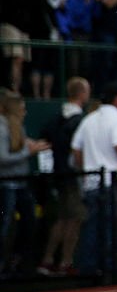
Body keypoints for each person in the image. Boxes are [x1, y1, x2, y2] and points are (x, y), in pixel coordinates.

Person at [71, 81, 117, 282]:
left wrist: (86, 169)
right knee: (116, 228)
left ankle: (90, 269)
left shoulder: (89, 119)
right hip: (113, 181)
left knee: (92, 228)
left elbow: (76, 149)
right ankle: (114, 270)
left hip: (92, 181)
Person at [38, 77, 90, 276]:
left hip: (58, 176)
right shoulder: (78, 121)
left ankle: (48, 260)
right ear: (82, 93)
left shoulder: (56, 118)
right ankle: (65, 262)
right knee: (73, 219)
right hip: (71, 177)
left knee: (62, 219)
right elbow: (77, 152)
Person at [0, 90, 50, 277]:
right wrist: (29, 152)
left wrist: (31, 147)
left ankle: (17, 261)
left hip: (21, 183)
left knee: (29, 222)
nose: (25, 112)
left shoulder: (17, 128)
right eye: (21, 108)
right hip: (6, 184)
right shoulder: (2, 128)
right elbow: (3, 158)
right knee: (5, 225)